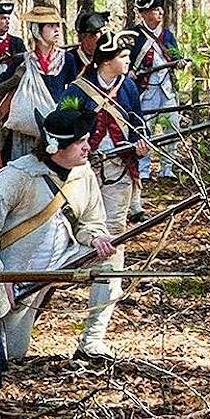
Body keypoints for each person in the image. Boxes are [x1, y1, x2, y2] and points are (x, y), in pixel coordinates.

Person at [0, 108, 116, 360]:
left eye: (86, 140)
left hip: (64, 260)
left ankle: (92, 341)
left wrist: (96, 238)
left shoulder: (84, 174)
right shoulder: (15, 177)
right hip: (18, 276)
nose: (87, 148)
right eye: (79, 142)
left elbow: (92, 222)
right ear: (56, 147)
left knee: (111, 260)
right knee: (12, 353)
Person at [61, 30, 149, 360]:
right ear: (107, 60)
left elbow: (140, 123)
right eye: (124, 57)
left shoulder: (127, 86)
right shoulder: (77, 89)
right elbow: (60, 123)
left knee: (113, 242)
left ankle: (94, 335)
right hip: (83, 175)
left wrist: (140, 145)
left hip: (120, 173)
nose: (128, 61)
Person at [0, 6, 79, 162]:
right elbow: (0, 86)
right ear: (36, 30)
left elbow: (72, 90)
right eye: (50, 26)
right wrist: (14, 79)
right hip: (25, 129)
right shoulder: (21, 61)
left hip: (54, 126)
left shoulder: (67, 59)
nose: (56, 30)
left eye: (57, 26)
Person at [129, 0, 186, 185]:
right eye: (155, 10)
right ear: (144, 14)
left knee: (172, 127)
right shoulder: (134, 35)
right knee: (145, 130)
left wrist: (179, 62)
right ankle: (143, 169)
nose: (160, 13)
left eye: (160, 9)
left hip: (167, 89)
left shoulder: (167, 35)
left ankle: (167, 168)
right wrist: (129, 72)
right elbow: (125, 62)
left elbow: (176, 57)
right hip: (145, 91)